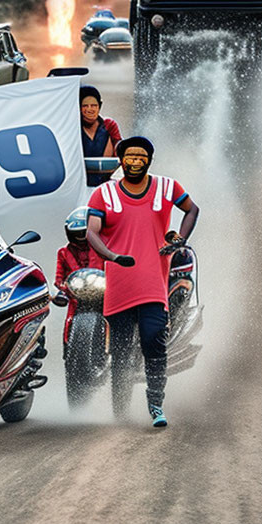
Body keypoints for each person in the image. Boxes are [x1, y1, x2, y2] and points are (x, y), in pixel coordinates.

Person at [85, 136, 199, 427]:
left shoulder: (166, 187)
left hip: (153, 284)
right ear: (121, 161)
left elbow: (191, 209)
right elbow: (91, 232)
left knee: (153, 342)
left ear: (149, 160)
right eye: (130, 157)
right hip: (120, 284)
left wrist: (180, 241)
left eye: (141, 157)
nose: (135, 162)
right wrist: (111, 255)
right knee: (121, 350)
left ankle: (156, 405)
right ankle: (120, 411)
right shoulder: (104, 193)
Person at [54, 207, 102, 343]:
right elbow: (59, 277)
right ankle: (68, 346)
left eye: (84, 233)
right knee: (70, 321)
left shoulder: (103, 249)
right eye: (77, 233)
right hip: (76, 296)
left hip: (102, 294)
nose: (81, 237)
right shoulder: (63, 253)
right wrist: (62, 287)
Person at [80, 85, 122, 186]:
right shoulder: (73, 127)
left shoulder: (109, 125)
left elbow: (119, 148)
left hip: (105, 181)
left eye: (94, 105)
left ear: (99, 106)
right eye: (85, 106)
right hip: (80, 181)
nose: (90, 110)